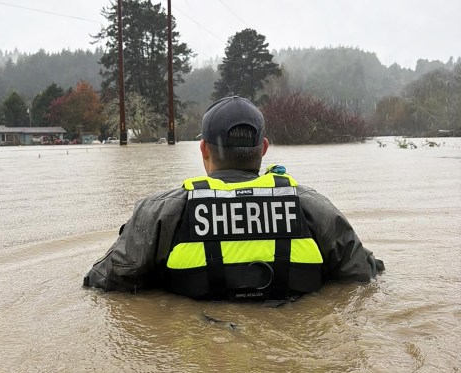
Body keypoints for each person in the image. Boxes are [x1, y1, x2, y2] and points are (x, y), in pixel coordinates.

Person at [84, 96, 384, 301]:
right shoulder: (314, 207)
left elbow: (103, 282)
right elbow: (364, 275)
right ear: (263, 148)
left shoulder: (160, 212)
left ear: (203, 148)